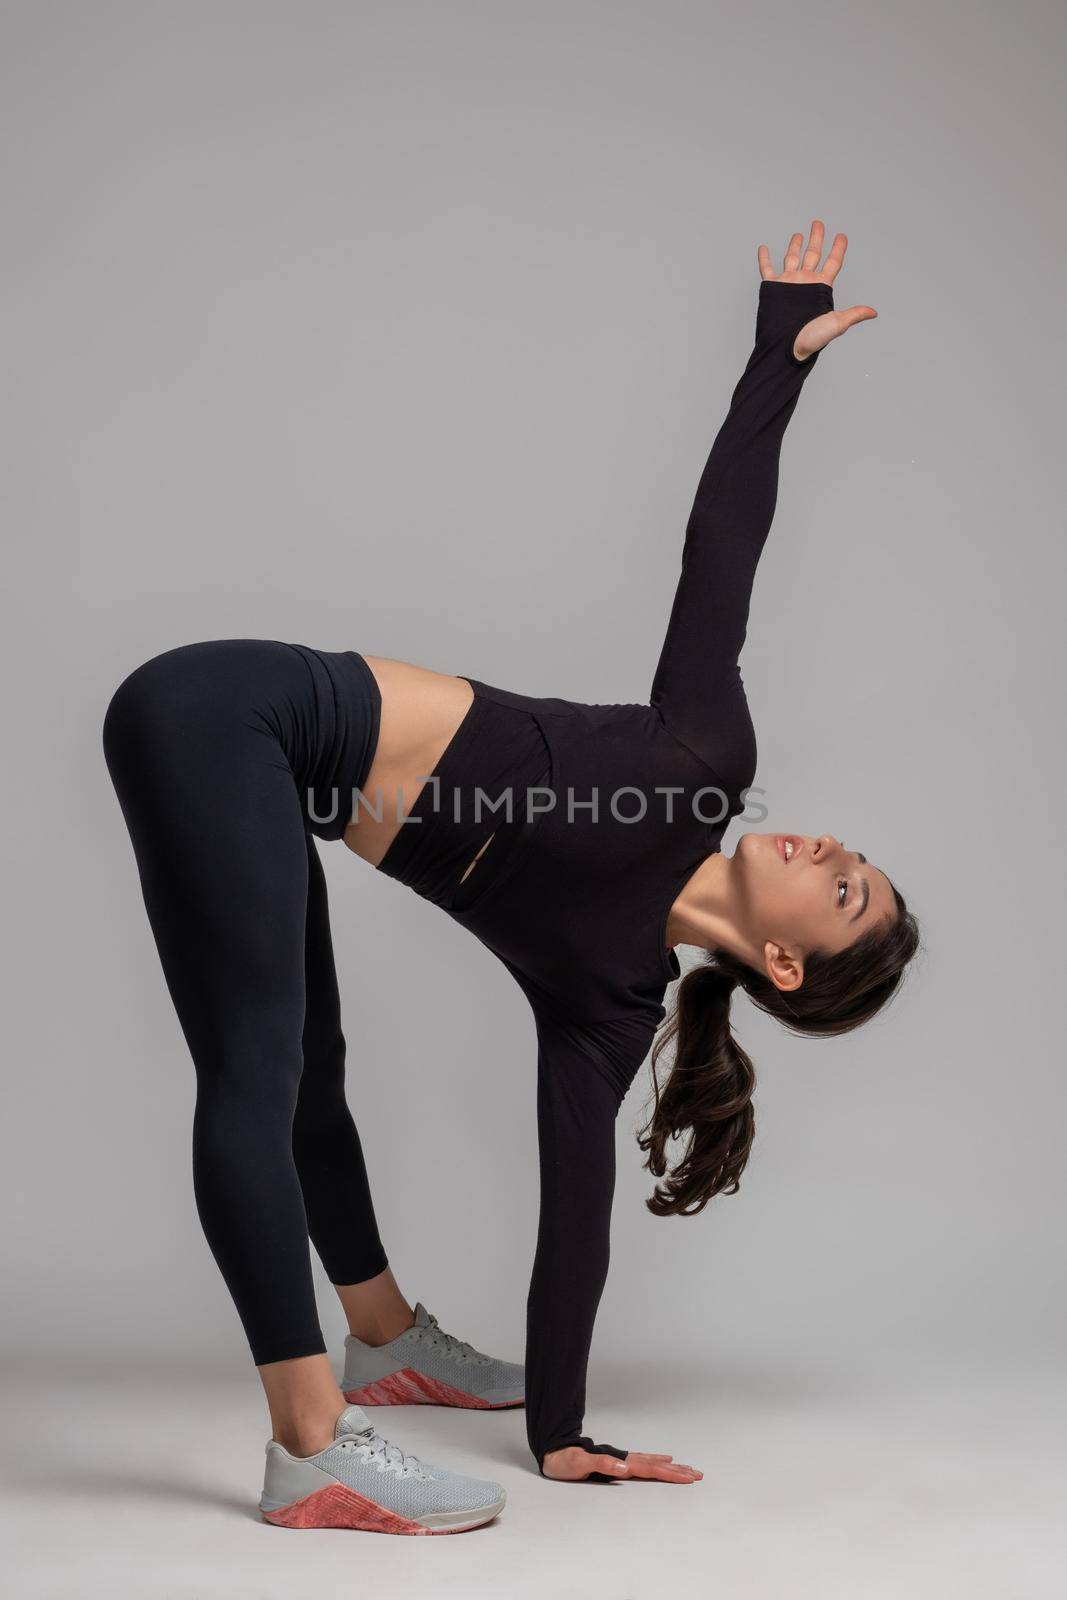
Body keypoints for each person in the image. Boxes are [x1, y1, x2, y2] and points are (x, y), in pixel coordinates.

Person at [102, 220, 920, 1534]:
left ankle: (381, 1340)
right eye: (851, 858)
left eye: (841, 894)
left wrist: (563, 1434)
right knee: (258, 1068)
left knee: (304, 1067)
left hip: (256, 770)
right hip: (222, 712)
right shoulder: (708, 761)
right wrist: (782, 356)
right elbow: (724, 551)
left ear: (782, 965)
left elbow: (575, 1221)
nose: (827, 849)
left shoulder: (609, 1006)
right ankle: (311, 1439)